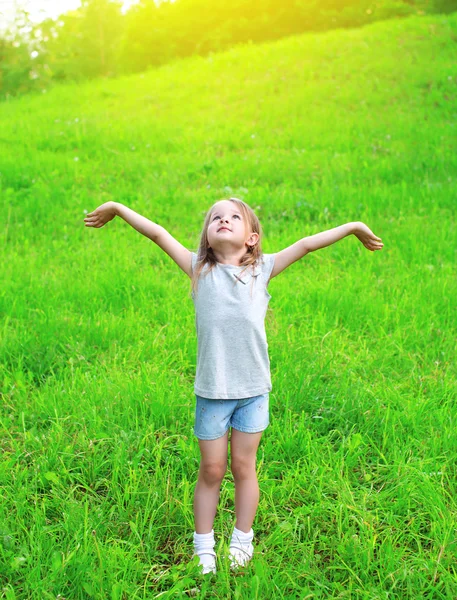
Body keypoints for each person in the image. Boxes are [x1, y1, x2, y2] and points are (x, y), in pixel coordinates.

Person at [84, 198, 383, 574]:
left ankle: (242, 540)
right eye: (215, 218)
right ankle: (204, 546)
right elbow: (158, 233)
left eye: (234, 217)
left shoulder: (263, 268)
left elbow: (307, 243)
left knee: (244, 466)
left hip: (253, 391)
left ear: (252, 238)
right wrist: (116, 208)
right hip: (212, 393)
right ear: (207, 238)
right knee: (211, 469)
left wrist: (354, 225)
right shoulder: (198, 269)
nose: (223, 220)